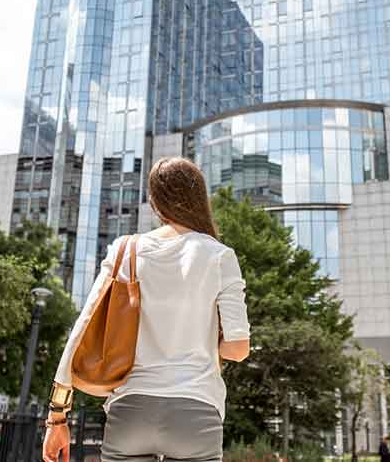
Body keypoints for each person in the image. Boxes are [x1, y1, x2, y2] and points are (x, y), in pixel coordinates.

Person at [42, 157, 252, 462]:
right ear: (199, 199)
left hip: (131, 411)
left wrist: (57, 417)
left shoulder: (125, 249)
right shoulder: (220, 256)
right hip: (196, 412)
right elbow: (237, 349)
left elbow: (82, 327)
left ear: (154, 202)